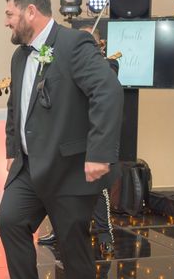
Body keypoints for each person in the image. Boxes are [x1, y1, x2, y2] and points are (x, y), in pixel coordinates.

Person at [0, 0, 123, 279]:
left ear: (30, 12)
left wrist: (99, 152)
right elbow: (17, 108)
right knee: (9, 221)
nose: (6, 22)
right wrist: (11, 148)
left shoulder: (73, 45)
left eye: (9, 14)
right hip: (29, 166)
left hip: (69, 167)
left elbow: (107, 92)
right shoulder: (20, 56)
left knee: (71, 244)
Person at [37, 25, 120, 256]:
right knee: (58, 187)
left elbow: (105, 87)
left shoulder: (109, 64)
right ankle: (57, 230)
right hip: (66, 137)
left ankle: (105, 234)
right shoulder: (63, 64)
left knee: (97, 190)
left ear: (98, 45)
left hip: (91, 137)